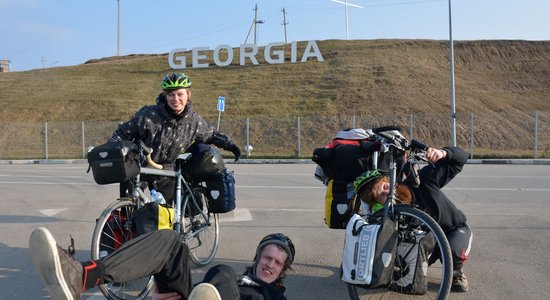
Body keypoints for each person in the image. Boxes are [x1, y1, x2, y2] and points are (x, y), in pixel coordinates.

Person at [29, 227, 295, 300]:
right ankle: (81, 277)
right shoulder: (230, 281)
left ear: (283, 271)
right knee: (170, 240)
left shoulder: (274, 296)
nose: (270, 265)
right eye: (267, 257)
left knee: (220, 271)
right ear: (258, 257)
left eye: (278, 263)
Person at [353, 146, 473, 293]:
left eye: (385, 186)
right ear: (379, 203)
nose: (388, 192)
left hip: (453, 229)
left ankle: (456, 272)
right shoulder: (389, 212)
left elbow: (461, 158)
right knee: (407, 266)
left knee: (453, 253)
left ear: (389, 180)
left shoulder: (423, 180)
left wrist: (443, 153)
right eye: (381, 196)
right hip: (427, 242)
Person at [110, 72, 241, 203]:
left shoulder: (193, 121)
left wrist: (231, 145)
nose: (175, 99)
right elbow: (123, 132)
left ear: (188, 95)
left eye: (180, 94)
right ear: (165, 96)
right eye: (171, 94)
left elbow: (211, 134)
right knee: (128, 207)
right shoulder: (148, 115)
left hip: (167, 173)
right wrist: (111, 148)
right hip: (141, 167)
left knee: (167, 216)